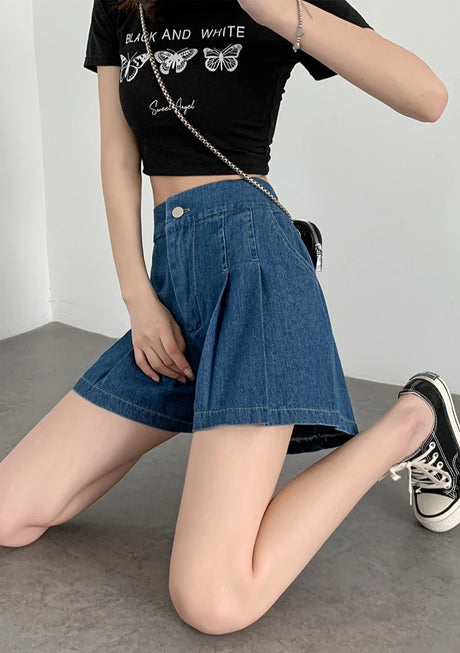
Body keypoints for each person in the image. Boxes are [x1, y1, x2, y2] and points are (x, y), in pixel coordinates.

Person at [0, 0, 455, 637]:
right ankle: (220, 383)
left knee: (212, 600)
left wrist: (278, 12)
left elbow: (428, 97)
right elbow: (118, 152)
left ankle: (416, 419)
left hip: (251, 268)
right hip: (172, 288)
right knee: (9, 514)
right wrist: (137, 296)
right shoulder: (121, 4)